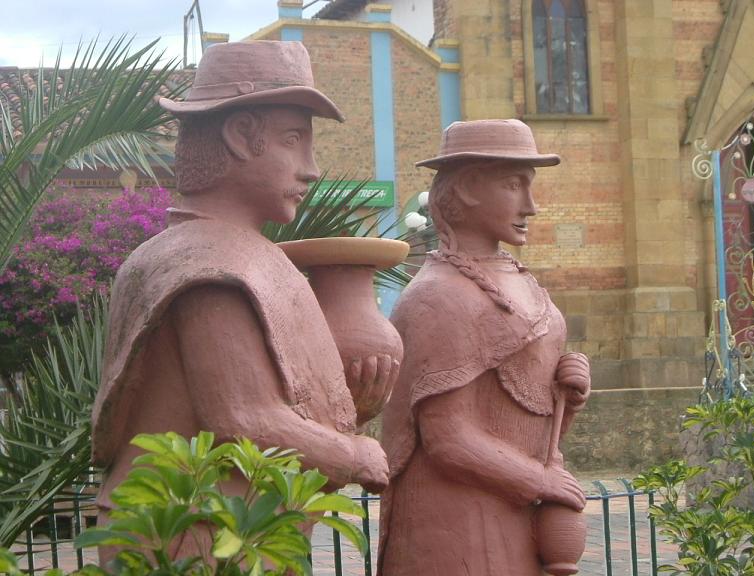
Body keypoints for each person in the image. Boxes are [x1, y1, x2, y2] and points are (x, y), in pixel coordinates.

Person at [91, 41, 391, 563]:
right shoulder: (208, 266)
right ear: (239, 136)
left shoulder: (230, 254)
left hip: (227, 529)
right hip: (193, 532)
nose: (312, 168)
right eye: (293, 140)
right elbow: (242, 418)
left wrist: (349, 413)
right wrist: (352, 453)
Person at [378, 119, 591, 576]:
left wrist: (565, 400)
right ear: (470, 188)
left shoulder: (519, 281)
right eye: (514, 185)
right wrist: (541, 481)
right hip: (458, 529)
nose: (530, 206)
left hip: (516, 519)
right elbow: (447, 438)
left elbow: (523, 422)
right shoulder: (438, 295)